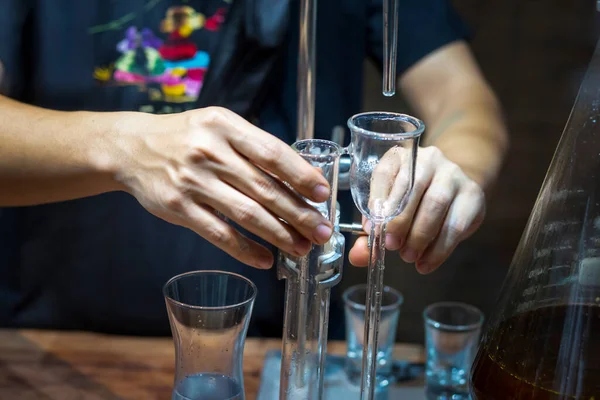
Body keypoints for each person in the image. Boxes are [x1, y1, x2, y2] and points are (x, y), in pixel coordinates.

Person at [0, 0, 507, 338]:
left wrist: (451, 171)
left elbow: (461, 98)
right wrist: (122, 146)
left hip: (287, 332)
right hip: (60, 334)